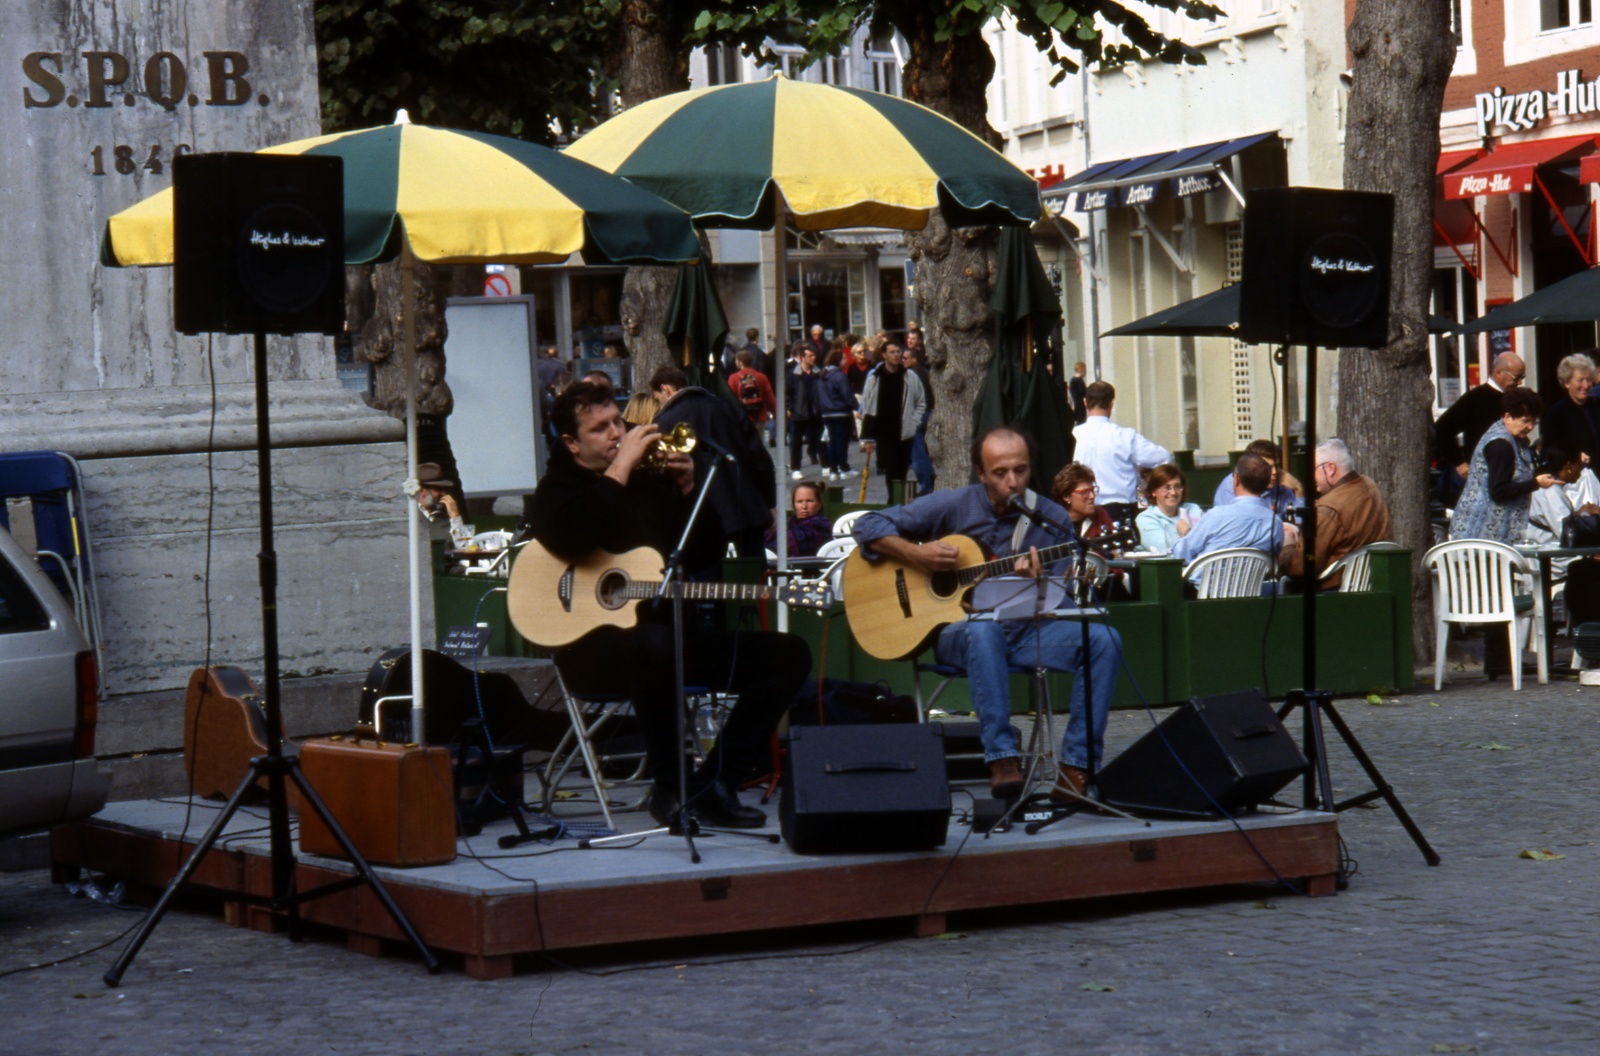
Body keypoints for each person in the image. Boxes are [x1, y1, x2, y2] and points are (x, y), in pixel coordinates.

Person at [522, 380, 811, 828]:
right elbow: (575, 536)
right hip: (591, 652)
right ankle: (669, 787)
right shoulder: (556, 489)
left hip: (669, 643)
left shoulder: (647, 482)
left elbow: (702, 555)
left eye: (617, 422)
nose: (617, 434)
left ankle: (716, 782)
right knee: (655, 642)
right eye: (599, 429)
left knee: (787, 653)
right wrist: (621, 468)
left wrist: (689, 491)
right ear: (571, 443)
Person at [851, 428, 1123, 802]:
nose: (1012, 481)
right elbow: (866, 525)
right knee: (984, 628)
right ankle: (1002, 757)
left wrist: (1038, 587)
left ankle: (1075, 768)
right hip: (959, 634)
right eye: (1000, 472)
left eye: (1020, 470)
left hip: (1027, 633)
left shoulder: (1053, 520)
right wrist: (916, 554)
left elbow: (1058, 604)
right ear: (981, 473)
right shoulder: (952, 505)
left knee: (1105, 640)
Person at [650, 365, 777, 577]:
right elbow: (758, 456)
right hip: (744, 503)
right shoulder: (725, 406)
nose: (659, 405)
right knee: (756, 577)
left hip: (701, 515)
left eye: (657, 400)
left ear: (666, 389)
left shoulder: (664, 422)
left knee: (709, 583)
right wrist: (769, 501)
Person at [1277, 439, 1392, 589]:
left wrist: (1287, 546)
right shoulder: (1370, 487)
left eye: (1313, 469)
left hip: (1332, 591)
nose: (1312, 478)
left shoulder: (1327, 508)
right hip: (1373, 586)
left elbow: (1302, 567)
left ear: (1330, 469)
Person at [1451, 387, 1557, 545]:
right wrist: (1536, 483)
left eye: (1534, 422)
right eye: (1525, 421)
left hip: (1490, 534)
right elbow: (1499, 490)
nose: (1530, 427)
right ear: (1507, 417)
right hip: (1484, 535)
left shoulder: (1510, 439)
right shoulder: (1501, 446)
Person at [1172, 453, 1293, 584]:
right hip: (1253, 592)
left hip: (1204, 591)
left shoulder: (1216, 515)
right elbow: (1273, 561)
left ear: (1236, 479)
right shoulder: (1275, 522)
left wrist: (1183, 533)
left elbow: (1181, 555)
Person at [1071, 380, 1172, 524]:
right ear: (1112, 403)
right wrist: (1140, 471)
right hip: (1118, 514)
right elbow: (1163, 457)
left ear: (1085, 402)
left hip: (1081, 512)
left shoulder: (1073, 435)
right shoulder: (1125, 436)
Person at [1434, 351, 1525, 504]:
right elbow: (1442, 428)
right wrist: (1459, 462)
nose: (1520, 382)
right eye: (1516, 378)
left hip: (1506, 474)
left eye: (1522, 377)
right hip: (1482, 477)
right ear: (1498, 372)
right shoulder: (1475, 399)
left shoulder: (1515, 399)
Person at [860, 342, 927, 491]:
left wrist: (914, 422)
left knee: (902, 471)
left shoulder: (909, 376)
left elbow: (920, 402)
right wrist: (867, 438)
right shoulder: (875, 378)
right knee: (891, 470)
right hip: (884, 433)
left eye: (898, 352)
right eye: (892, 352)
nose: (896, 355)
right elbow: (867, 407)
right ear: (884, 355)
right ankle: (893, 499)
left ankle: (899, 499)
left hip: (904, 431)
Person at [1211, 439, 1303, 517]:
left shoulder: (1282, 484)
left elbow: (1298, 521)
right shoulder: (1233, 485)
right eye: (1267, 467)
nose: (1275, 472)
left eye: (1277, 466)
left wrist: (1298, 489)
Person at [1538, 352, 1600, 467]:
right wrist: (1574, 456)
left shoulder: (1597, 405)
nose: (1586, 385)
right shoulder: (1556, 414)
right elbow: (1549, 453)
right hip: (1579, 474)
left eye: (1589, 380)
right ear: (1566, 383)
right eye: (1580, 380)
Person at [1135, 464, 1204, 554]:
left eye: (1177, 486)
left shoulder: (1193, 509)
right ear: (1153, 491)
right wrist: (1183, 534)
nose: (1173, 492)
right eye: (1166, 488)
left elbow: (1209, 539)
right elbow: (1164, 552)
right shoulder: (1146, 519)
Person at [1051, 463, 1117, 554]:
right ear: (1066, 496)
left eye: (1093, 490)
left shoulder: (1100, 514)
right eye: (1084, 492)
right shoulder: (1051, 522)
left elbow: (1114, 554)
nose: (1092, 496)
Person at [818, 349, 858, 480]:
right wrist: (856, 407)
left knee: (833, 441)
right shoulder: (839, 376)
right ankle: (843, 468)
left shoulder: (823, 374)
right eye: (844, 358)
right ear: (838, 361)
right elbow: (846, 394)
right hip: (840, 412)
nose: (846, 360)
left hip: (827, 413)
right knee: (841, 441)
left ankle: (833, 469)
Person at [903, 332, 936, 494]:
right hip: (927, 412)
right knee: (922, 448)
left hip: (918, 414)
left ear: (914, 359)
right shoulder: (925, 372)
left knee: (917, 451)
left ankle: (926, 484)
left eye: (905, 358)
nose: (902, 361)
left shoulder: (912, 374)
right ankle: (929, 477)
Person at [765, 480, 833, 558]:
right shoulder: (789, 523)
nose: (804, 506)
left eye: (809, 501)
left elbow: (786, 544)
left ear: (819, 504)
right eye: (799, 502)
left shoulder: (820, 526)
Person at [787, 343, 824, 480]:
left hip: (815, 411)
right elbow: (787, 392)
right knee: (796, 442)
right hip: (799, 412)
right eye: (810, 356)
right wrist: (790, 407)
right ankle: (795, 468)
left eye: (814, 355)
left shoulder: (818, 372)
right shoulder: (793, 374)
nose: (813, 358)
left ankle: (825, 464)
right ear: (802, 357)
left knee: (819, 439)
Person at [414, 463, 474, 547]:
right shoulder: (409, 517)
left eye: (445, 489)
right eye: (438, 489)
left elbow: (463, 548)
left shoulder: (448, 518)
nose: (444, 494)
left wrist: (455, 517)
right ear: (422, 491)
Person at [727, 348, 776, 428]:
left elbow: (730, 399)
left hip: (741, 418)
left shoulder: (733, 378)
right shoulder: (761, 377)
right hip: (760, 415)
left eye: (736, 360)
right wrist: (775, 414)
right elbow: (770, 398)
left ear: (740, 362)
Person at [1069, 361, 1089, 426]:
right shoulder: (1077, 381)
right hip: (1078, 405)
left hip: (1079, 404)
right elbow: (1081, 392)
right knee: (1081, 421)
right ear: (1081, 370)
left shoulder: (1075, 380)